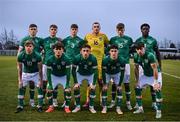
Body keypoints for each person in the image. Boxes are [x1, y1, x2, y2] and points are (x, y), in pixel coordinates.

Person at [135, 23, 161, 110]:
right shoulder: (138, 40)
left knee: (153, 86)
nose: (145, 30)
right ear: (141, 30)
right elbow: (135, 51)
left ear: (149, 30)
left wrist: (160, 65)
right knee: (139, 85)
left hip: (151, 63)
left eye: (147, 29)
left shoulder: (153, 40)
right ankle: (138, 104)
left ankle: (154, 103)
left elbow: (157, 52)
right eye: (144, 29)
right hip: (142, 65)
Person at [133, 42, 162, 119]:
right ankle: (140, 108)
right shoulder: (136, 56)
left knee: (157, 88)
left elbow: (155, 69)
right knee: (137, 87)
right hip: (145, 75)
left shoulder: (150, 55)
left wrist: (155, 82)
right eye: (137, 49)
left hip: (154, 75)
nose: (139, 51)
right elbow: (136, 69)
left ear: (144, 48)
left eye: (141, 49)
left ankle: (159, 112)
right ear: (136, 50)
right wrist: (137, 80)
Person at [83, 22, 109, 107]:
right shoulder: (87, 36)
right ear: (92, 28)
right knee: (90, 83)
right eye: (94, 27)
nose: (96, 28)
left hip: (100, 62)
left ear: (100, 28)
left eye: (98, 27)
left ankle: (102, 100)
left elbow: (108, 45)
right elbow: (84, 46)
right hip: (90, 62)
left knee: (100, 81)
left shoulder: (103, 36)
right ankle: (88, 100)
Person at [18, 24, 43, 107]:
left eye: (34, 29)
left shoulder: (39, 40)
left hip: (36, 66)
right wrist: (18, 64)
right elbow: (19, 51)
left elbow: (45, 49)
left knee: (33, 84)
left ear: (37, 30)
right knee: (23, 85)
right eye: (31, 29)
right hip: (27, 66)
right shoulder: (24, 39)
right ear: (29, 30)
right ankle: (21, 102)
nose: (33, 30)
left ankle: (32, 101)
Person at [109, 23, 133, 110]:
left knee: (126, 84)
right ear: (116, 30)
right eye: (118, 29)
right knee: (114, 84)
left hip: (126, 63)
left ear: (124, 29)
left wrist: (127, 55)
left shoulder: (129, 39)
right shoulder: (112, 39)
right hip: (115, 64)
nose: (120, 31)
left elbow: (132, 49)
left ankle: (128, 103)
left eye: (121, 29)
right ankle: (112, 102)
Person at [15, 40, 43, 113]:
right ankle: (20, 106)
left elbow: (40, 69)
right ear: (24, 47)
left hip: (35, 73)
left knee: (39, 87)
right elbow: (20, 69)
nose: (28, 48)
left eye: (30, 46)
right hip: (25, 73)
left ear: (33, 47)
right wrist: (20, 80)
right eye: (27, 46)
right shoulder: (21, 55)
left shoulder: (38, 55)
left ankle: (40, 106)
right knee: (21, 87)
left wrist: (40, 80)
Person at [45, 42, 71, 113]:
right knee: (49, 90)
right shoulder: (50, 59)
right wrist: (50, 84)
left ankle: (67, 107)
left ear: (63, 50)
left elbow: (68, 73)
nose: (58, 51)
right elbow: (49, 73)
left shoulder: (67, 59)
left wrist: (67, 84)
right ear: (54, 50)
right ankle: (51, 106)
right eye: (56, 49)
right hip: (54, 76)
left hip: (64, 76)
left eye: (60, 49)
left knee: (68, 90)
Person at [72, 44, 98, 113]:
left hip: (90, 74)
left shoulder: (93, 58)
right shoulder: (77, 58)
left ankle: (91, 107)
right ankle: (77, 106)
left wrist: (94, 84)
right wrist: (75, 82)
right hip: (80, 74)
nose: (85, 52)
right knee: (75, 88)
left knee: (93, 88)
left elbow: (95, 71)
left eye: (87, 51)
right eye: (84, 51)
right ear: (81, 51)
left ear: (90, 52)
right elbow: (73, 70)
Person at [101, 45, 125, 114]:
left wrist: (120, 84)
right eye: (112, 51)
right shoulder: (105, 60)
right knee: (104, 89)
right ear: (109, 52)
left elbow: (122, 73)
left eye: (115, 51)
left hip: (117, 73)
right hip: (107, 73)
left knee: (119, 89)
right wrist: (105, 84)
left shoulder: (122, 60)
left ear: (118, 52)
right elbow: (103, 72)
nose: (113, 53)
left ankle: (118, 108)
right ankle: (104, 107)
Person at [42, 24, 61, 107]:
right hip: (46, 64)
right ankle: (42, 99)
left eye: (55, 29)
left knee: (55, 82)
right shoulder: (44, 40)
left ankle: (54, 99)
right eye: (52, 29)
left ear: (57, 31)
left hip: (55, 64)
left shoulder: (59, 41)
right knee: (44, 82)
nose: (53, 31)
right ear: (49, 30)